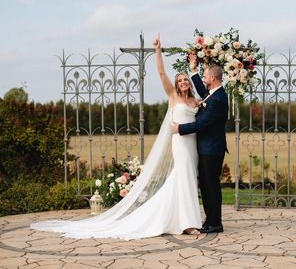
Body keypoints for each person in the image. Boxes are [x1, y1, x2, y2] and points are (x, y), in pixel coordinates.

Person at [30, 35, 202, 240]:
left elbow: (206, 103)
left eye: (185, 80)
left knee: (188, 178)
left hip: (193, 144)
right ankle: (188, 223)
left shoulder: (196, 101)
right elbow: (161, 72)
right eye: (180, 80)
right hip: (180, 144)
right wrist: (157, 49)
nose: (183, 82)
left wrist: (195, 67)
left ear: (189, 83)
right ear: (176, 84)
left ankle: (180, 218)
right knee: (182, 177)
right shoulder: (173, 97)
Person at [172, 53, 228, 234]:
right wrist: (194, 71)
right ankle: (211, 219)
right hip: (207, 149)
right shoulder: (213, 95)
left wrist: (179, 129)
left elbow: (203, 124)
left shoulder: (218, 99)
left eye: (204, 76)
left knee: (210, 185)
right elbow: (203, 95)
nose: (203, 79)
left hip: (211, 150)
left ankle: (214, 223)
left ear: (212, 78)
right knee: (206, 185)